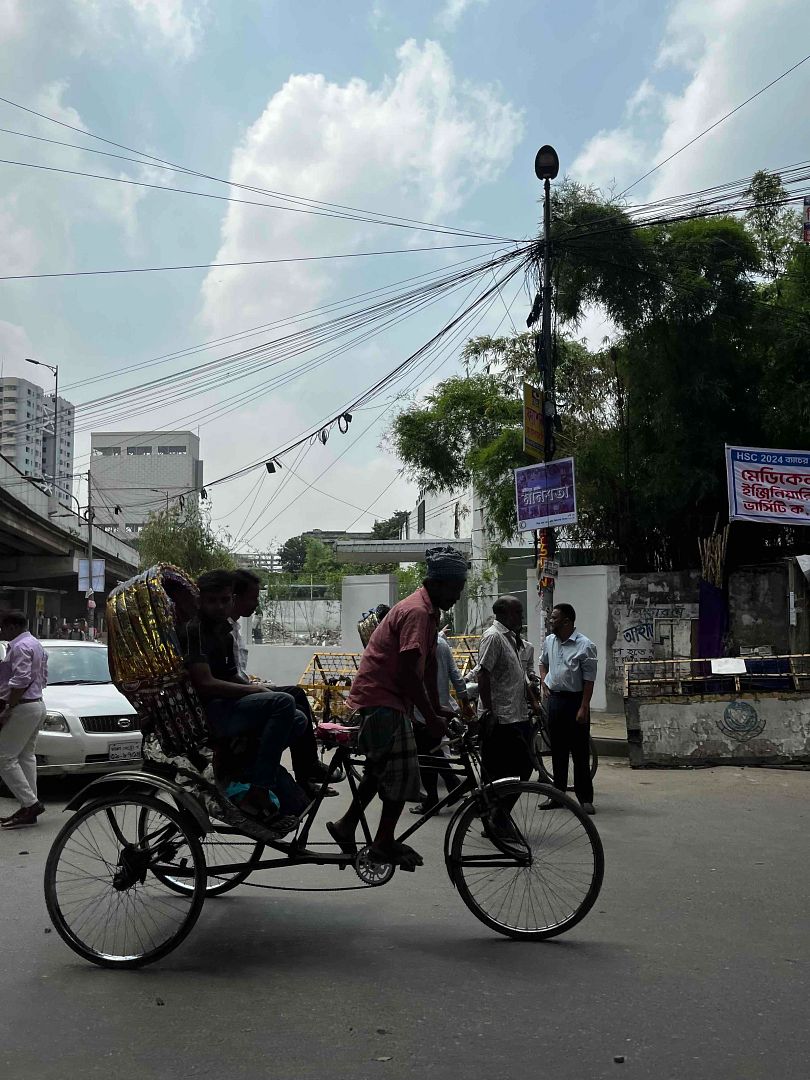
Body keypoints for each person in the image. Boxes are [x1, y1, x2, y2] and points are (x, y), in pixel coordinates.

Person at [327, 546, 469, 869]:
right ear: (440, 583)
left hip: (388, 698)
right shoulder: (418, 612)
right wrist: (430, 717)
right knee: (404, 771)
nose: (458, 596)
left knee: (378, 770)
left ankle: (346, 825)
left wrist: (438, 708)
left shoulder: (430, 615)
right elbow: (407, 671)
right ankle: (382, 843)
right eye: (457, 588)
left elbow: (428, 668)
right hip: (382, 698)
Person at [178, 570, 303, 827]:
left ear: (231, 599)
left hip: (227, 704)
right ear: (201, 601)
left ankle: (249, 766)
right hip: (210, 711)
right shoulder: (194, 631)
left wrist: (257, 688)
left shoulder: (224, 630)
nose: (219, 607)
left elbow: (231, 676)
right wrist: (253, 691)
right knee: (283, 703)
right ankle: (258, 790)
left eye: (224, 600)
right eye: (212, 601)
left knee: (298, 717)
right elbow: (205, 683)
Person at [229, 568, 335, 798]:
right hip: (233, 696)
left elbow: (236, 671)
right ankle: (264, 783)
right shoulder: (222, 630)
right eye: (253, 598)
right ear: (235, 598)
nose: (256, 604)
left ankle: (306, 771)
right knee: (288, 703)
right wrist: (255, 687)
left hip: (241, 689)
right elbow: (227, 675)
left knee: (296, 694)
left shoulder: (235, 628)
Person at [539, 603, 597, 814]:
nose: (550, 621)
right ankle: (558, 795)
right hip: (555, 701)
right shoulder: (549, 641)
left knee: (580, 751)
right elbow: (542, 662)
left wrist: (584, 708)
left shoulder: (585, 645)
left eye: (553, 618)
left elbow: (589, 680)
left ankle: (585, 799)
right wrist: (545, 681)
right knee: (558, 751)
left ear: (566, 621)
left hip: (576, 701)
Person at [410, 631, 474, 815]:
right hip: (441, 707)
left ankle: (433, 798)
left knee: (426, 755)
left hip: (422, 710)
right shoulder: (443, 644)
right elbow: (455, 674)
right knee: (433, 749)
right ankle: (451, 782)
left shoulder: (418, 645)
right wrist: (464, 701)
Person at [475, 595, 535, 786]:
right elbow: (482, 675)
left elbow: (519, 676)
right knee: (498, 772)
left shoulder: (511, 638)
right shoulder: (494, 637)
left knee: (524, 768)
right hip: (501, 719)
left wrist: (532, 700)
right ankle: (493, 812)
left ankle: (499, 811)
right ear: (504, 614)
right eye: (518, 612)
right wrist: (489, 711)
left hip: (517, 715)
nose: (521, 617)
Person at [0, 611, 48, 829]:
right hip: (37, 704)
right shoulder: (35, 644)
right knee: (26, 755)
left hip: (22, 706)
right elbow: (43, 676)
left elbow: (21, 678)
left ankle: (30, 804)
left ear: (11, 627)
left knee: (4, 758)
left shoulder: (19, 646)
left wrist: (10, 706)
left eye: (3, 627)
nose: (2, 632)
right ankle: (29, 806)